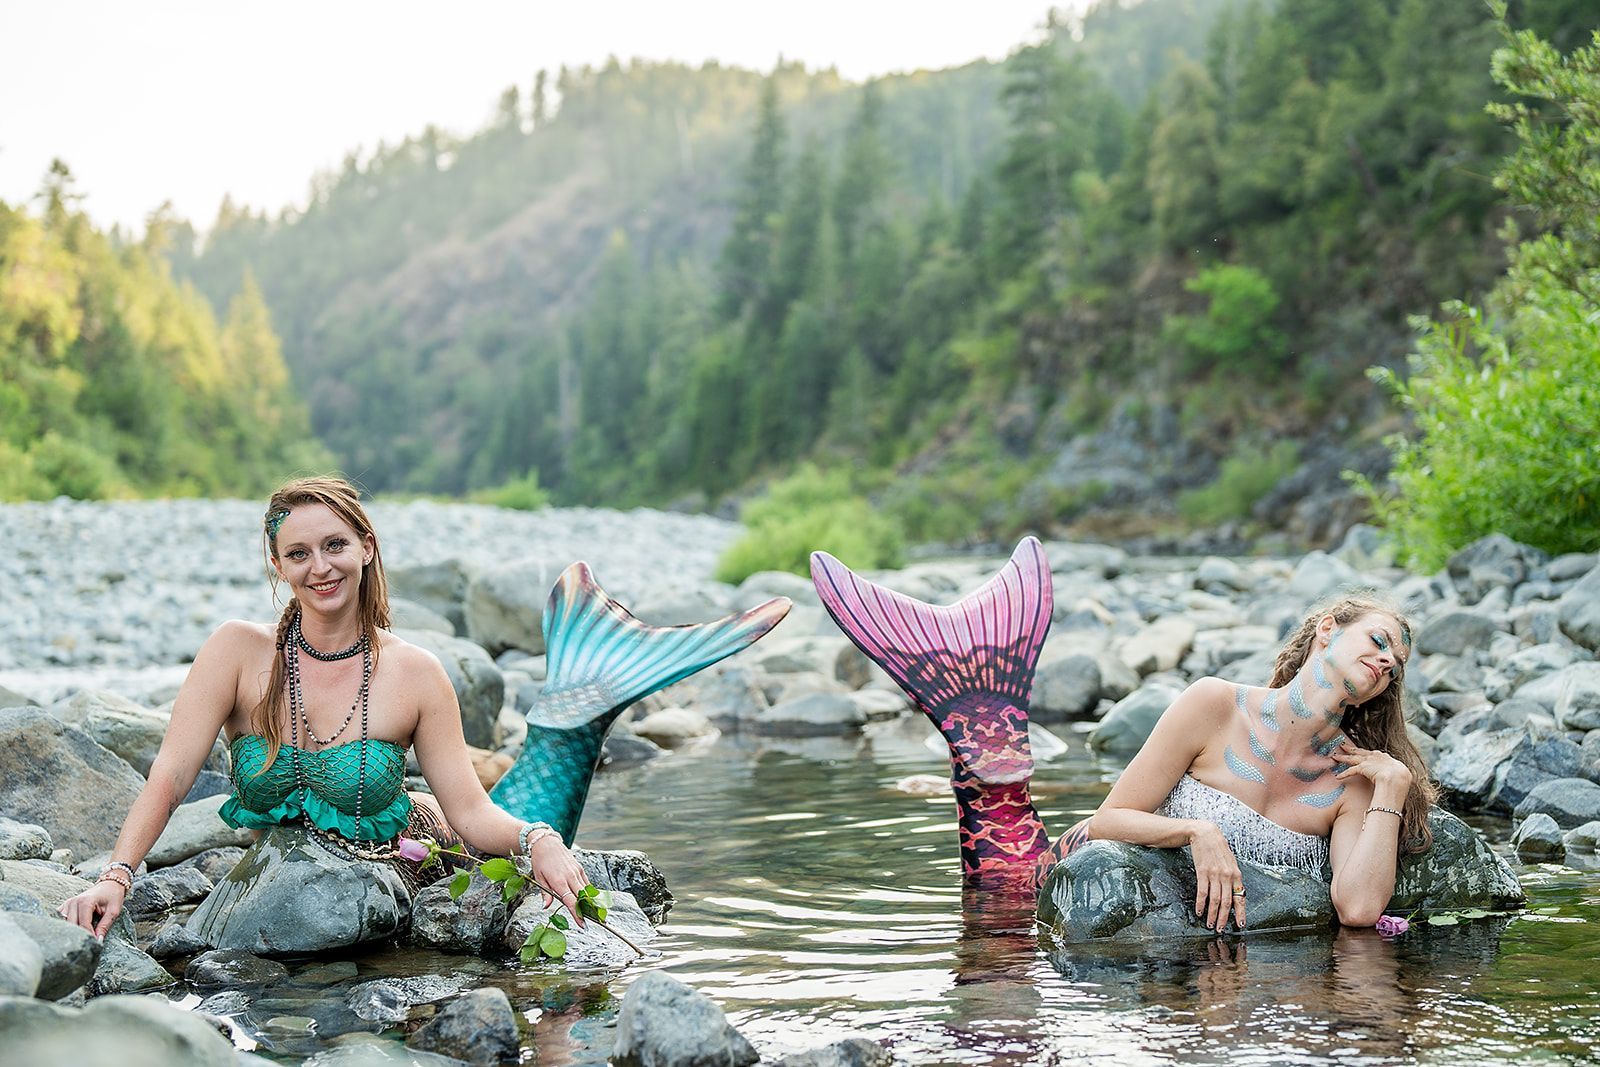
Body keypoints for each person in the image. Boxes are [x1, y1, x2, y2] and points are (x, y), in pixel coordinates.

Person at [809, 536, 1437, 932]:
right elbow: (1110, 819)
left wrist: (1392, 786)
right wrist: (1196, 830)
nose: (1386, 661)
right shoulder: (1214, 705)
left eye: (1396, 664)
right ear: (1327, 630)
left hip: (1194, 966)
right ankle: (974, 718)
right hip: (1061, 887)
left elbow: (1358, 912)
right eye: (1377, 641)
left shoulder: (1356, 776)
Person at [60, 476, 590, 940]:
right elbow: (171, 777)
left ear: (366, 546)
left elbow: (471, 814)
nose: (320, 568)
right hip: (279, 889)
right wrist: (116, 876)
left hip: (412, 861)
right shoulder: (237, 652)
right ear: (278, 564)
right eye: (298, 553)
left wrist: (537, 837)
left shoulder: (416, 673)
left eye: (335, 545)